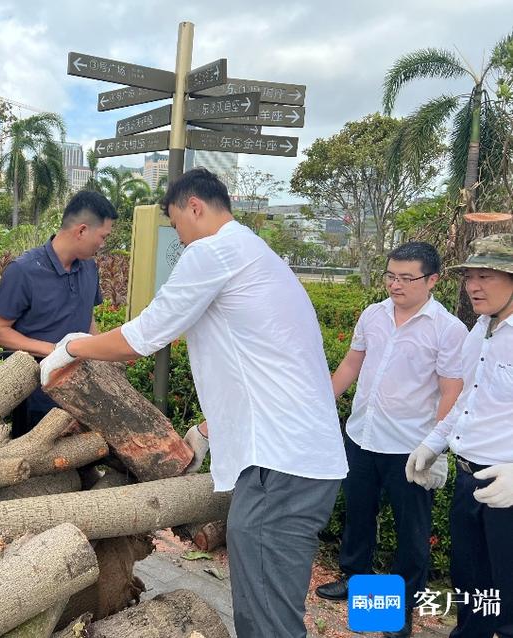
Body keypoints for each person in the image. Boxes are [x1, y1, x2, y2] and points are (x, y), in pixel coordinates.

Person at [39, 168, 348, 638]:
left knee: (267, 620)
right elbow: (264, 369)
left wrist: (71, 347)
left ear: (194, 207)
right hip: (292, 459)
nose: (180, 239)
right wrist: (208, 430)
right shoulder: (255, 254)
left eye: (177, 226)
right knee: (265, 607)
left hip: (282, 466)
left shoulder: (215, 251)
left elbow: (144, 336)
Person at [315, 242, 467, 637]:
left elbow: (452, 390)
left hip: (410, 447)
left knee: (411, 530)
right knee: (359, 513)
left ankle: (400, 607)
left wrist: (435, 446)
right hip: (363, 434)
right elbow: (352, 362)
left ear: (432, 280)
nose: (395, 285)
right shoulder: (374, 314)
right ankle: (354, 578)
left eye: (406, 278)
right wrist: (318, 404)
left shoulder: (448, 329)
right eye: (390, 276)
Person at [406, 234, 513, 638]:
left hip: (507, 486)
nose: (473, 286)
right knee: (472, 585)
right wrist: (433, 445)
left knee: (508, 596)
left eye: (486, 275)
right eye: (469, 276)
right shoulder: (480, 331)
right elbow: (466, 402)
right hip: (471, 482)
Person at [0, 190, 117, 434]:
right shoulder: (23, 270)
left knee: (83, 463)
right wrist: (59, 353)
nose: (103, 244)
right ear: (81, 230)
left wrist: (98, 359)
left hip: (81, 396)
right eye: (103, 236)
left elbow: (88, 318)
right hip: (35, 397)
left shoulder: (89, 268)